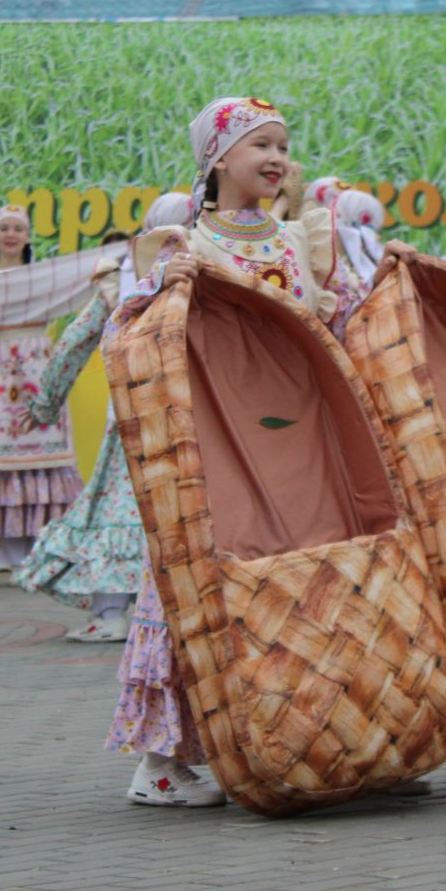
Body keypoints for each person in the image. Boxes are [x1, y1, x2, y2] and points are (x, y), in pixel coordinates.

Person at [105, 96, 345, 806]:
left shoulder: (300, 238)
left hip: (298, 438)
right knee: (202, 590)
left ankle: (313, 739)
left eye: (282, 144)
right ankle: (161, 766)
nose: (275, 158)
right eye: (258, 145)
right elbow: (128, 334)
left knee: (305, 587)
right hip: (214, 444)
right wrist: (164, 292)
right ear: (216, 159)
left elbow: (331, 321)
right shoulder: (183, 244)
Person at [15, 193, 194, 642]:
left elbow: (75, 341)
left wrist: (44, 406)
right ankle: (176, 613)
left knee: (120, 507)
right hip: (196, 416)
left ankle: (113, 612)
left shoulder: (125, 278)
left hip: (135, 416)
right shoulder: (211, 266)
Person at [0, 205, 84, 571]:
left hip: (35, 366)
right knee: (1, 456)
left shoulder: (41, 277)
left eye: (17, 228)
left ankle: (48, 545)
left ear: (28, 236)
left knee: (44, 453)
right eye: (4, 229)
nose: (11, 234)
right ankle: (11, 552)